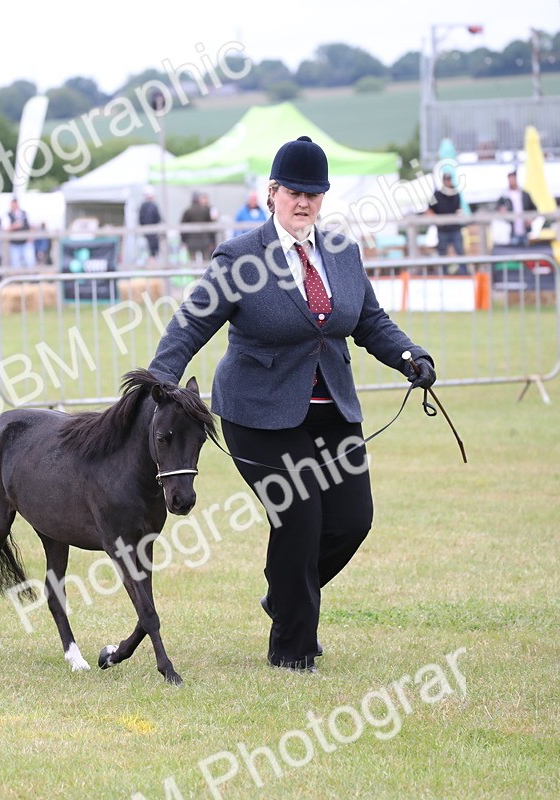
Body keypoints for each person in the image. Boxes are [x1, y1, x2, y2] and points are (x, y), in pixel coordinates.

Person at [148, 135, 436, 673]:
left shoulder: (343, 253)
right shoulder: (240, 257)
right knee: (300, 516)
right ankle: (292, 650)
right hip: (258, 413)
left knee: (352, 520)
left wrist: (409, 355)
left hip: (333, 409)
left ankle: (284, 594)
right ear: (272, 193)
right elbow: (191, 323)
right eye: (293, 192)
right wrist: (160, 379)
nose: (303, 202)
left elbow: (370, 321)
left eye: (313, 194)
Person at [425, 170, 466, 258]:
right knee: (443, 253)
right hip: (442, 230)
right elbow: (429, 210)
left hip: (455, 228)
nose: (448, 182)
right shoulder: (437, 195)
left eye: (449, 179)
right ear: (443, 181)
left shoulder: (456, 194)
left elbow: (459, 209)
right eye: (446, 180)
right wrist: (437, 221)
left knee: (460, 252)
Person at [496, 171, 535, 247]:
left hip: (525, 231)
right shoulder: (505, 196)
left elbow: (534, 209)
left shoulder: (525, 195)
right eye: (510, 179)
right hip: (512, 231)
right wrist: (501, 210)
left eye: (513, 179)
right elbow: (498, 208)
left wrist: (530, 219)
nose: (511, 181)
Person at [181, 192, 217, 262]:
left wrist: (183, 240)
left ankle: (195, 270)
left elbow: (182, 226)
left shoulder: (187, 211)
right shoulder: (205, 210)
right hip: (204, 241)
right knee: (206, 261)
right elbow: (211, 226)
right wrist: (212, 240)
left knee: (193, 261)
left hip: (191, 241)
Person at [7, 198, 33, 268]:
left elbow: (30, 226)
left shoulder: (24, 213)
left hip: (25, 241)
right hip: (14, 243)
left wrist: (30, 237)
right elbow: (6, 229)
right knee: (15, 263)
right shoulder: (8, 214)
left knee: (30, 261)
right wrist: (15, 226)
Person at [139, 187, 163, 261]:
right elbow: (158, 218)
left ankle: (150, 262)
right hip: (153, 232)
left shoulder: (142, 206)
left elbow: (140, 220)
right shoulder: (154, 206)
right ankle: (152, 263)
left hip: (145, 232)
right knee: (153, 251)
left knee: (147, 250)